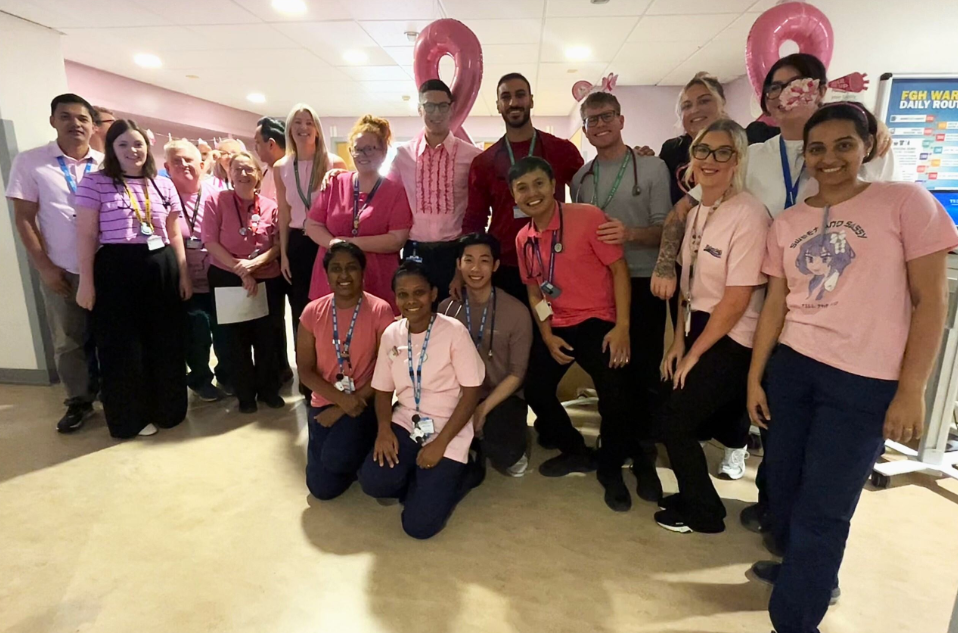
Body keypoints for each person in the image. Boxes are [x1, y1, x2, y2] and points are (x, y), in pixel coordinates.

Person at [745, 102, 958, 633]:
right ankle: (805, 574)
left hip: (863, 382)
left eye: (844, 144)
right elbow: (775, 304)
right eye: (817, 148)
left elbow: (929, 301)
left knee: (825, 505)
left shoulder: (905, 203)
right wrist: (756, 375)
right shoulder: (790, 222)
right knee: (786, 491)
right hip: (793, 369)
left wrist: (912, 390)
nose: (830, 157)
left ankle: (795, 619)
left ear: (867, 146)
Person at [512, 156, 652, 512]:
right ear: (514, 196)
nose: (532, 193)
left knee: (615, 395)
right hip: (558, 324)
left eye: (538, 184)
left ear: (553, 185)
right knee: (535, 389)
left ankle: (611, 468)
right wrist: (545, 334)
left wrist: (622, 327)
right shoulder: (523, 237)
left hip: (600, 321)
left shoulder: (587, 216)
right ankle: (576, 451)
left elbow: (619, 270)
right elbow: (534, 292)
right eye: (522, 188)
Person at [651, 119, 770, 534]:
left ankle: (704, 512)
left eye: (723, 152)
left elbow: (737, 299)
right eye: (703, 151)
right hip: (698, 323)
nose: (711, 160)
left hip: (733, 335)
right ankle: (693, 495)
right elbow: (689, 282)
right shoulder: (699, 210)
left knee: (675, 421)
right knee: (667, 411)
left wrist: (696, 352)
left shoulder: (749, 215)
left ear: (737, 160)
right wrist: (677, 343)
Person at [570, 92, 671, 477]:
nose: (600, 125)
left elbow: (666, 231)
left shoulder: (651, 168)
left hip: (642, 280)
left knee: (644, 368)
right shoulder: (582, 178)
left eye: (606, 116)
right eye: (592, 120)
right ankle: (614, 441)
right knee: (612, 371)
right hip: (599, 286)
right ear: (585, 129)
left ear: (621, 120)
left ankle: (643, 448)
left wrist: (629, 234)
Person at [74, 118, 190, 438]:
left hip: (160, 266)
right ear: (111, 148)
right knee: (123, 348)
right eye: (123, 144)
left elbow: (174, 233)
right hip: (116, 268)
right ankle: (131, 418)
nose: (132, 150)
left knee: (165, 342)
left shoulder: (161, 183)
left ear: (147, 147)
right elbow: (85, 235)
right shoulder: (94, 183)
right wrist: (86, 281)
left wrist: (183, 274)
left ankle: (168, 410)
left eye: (138, 144)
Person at [359, 260, 485, 539]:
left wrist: (440, 444)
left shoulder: (453, 332)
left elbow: (472, 392)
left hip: (447, 426)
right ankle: (425, 478)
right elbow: (381, 389)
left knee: (418, 526)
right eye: (403, 294)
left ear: (433, 294)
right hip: (407, 420)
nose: (411, 300)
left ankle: (464, 474)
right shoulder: (393, 333)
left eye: (419, 292)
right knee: (372, 482)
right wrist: (383, 430)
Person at [7, 93, 103, 433]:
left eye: (82, 118)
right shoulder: (31, 162)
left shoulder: (106, 163)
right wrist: (45, 267)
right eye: (66, 116)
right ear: (53, 121)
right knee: (68, 339)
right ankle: (79, 401)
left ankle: (111, 390)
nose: (75, 124)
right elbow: (24, 219)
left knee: (109, 333)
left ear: (93, 125)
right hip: (63, 268)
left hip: (105, 267)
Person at [462, 73, 584, 303]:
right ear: (498, 105)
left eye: (520, 95)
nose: (513, 102)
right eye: (505, 97)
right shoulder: (484, 163)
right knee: (510, 335)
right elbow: (474, 220)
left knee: (555, 333)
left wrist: (628, 155)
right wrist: (463, 267)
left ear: (531, 100)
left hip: (555, 262)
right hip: (506, 266)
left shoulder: (561, 150)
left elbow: (590, 191)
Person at [297, 241, 395, 500]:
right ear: (326, 274)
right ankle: (348, 455)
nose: (343, 275)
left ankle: (362, 449)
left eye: (351, 268)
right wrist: (339, 401)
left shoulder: (380, 310)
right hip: (324, 404)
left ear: (363, 273)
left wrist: (345, 407)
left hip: (365, 401)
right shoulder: (312, 312)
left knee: (337, 459)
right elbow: (305, 370)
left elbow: (387, 370)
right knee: (321, 489)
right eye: (336, 269)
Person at [439, 233, 533, 476]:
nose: (476, 268)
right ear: (459, 265)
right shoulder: (446, 309)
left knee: (505, 455)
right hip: (458, 394)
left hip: (500, 395)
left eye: (484, 261)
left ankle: (501, 437)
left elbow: (517, 374)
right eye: (468, 260)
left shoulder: (517, 311)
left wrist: (482, 409)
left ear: (496, 265)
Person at [202, 151, 285, 414]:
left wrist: (254, 265)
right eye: (237, 169)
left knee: (267, 338)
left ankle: (268, 390)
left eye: (249, 169)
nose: (243, 174)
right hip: (227, 276)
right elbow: (210, 242)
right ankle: (245, 394)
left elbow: (278, 245)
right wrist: (241, 269)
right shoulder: (217, 201)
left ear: (259, 175)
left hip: (266, 278)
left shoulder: (271, 205)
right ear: (229, 174)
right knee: (234, 341)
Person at [388, 79, 483, 302]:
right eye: (429, 106)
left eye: (442, 106)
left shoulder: (472, 157)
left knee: (455, 319)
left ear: (451, 109)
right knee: (417, 317)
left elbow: (478, 209)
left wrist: (463, 265)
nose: (436, 112)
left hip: (455, 252)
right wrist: (340, 175)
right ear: (420, 109)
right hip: (415, 251)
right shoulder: (403, 156)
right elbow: (385, 194)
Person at [306, 115, 412, 312]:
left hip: (376, 280)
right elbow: (312, 225)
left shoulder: (396, 191)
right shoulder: (335, 183)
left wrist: (346, 243)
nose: (363, 154)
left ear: (384, 151)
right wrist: (333, 244)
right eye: (358, 148)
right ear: (350, 151)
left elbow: (396, 240)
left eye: (370, 148)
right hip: (333, 278)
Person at [274, 104, 346, 343]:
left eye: (308, 122)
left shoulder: (333, 163)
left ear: (317, 129)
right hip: (297, 241)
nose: (303, 127)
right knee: (300, 306)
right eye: (297, 122)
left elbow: (343, 208)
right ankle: (306, 368)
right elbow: (284, 212)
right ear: (289, 129)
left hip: (324, 241)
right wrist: (283, 254)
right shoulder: (281, 167)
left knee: (329, 302)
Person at [164, 138, 229, 401]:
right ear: (167, 167)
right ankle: (200, 378)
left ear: (202, 165)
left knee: (224, 331)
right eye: (176, 161)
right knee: (197, 332)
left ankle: (228, 374)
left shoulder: (217, 193)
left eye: (188, 160)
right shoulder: (162, 196)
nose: (183, 165)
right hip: (185, 277)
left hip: (218, 273)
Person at [253, 116, 286, 202]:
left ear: (271, 144)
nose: (255, 148)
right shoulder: (261, 174)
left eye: (257, 142)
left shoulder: (296, 174)